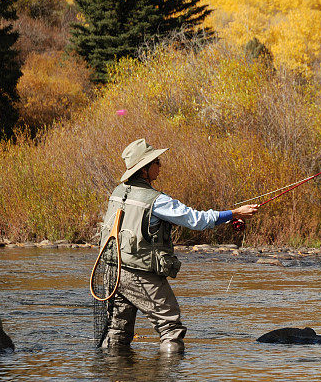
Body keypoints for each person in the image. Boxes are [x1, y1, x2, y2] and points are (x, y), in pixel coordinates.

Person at [99, 138, 259, 353]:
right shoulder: (156, 200)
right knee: (170, 327)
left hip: (112, 270)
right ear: (144, 170)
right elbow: (195, 220)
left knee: (117, 331)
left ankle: (115, 381)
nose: (160, 166)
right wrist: (234, 213)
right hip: (139, 272)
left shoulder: (118, 192)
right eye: (156, 162)